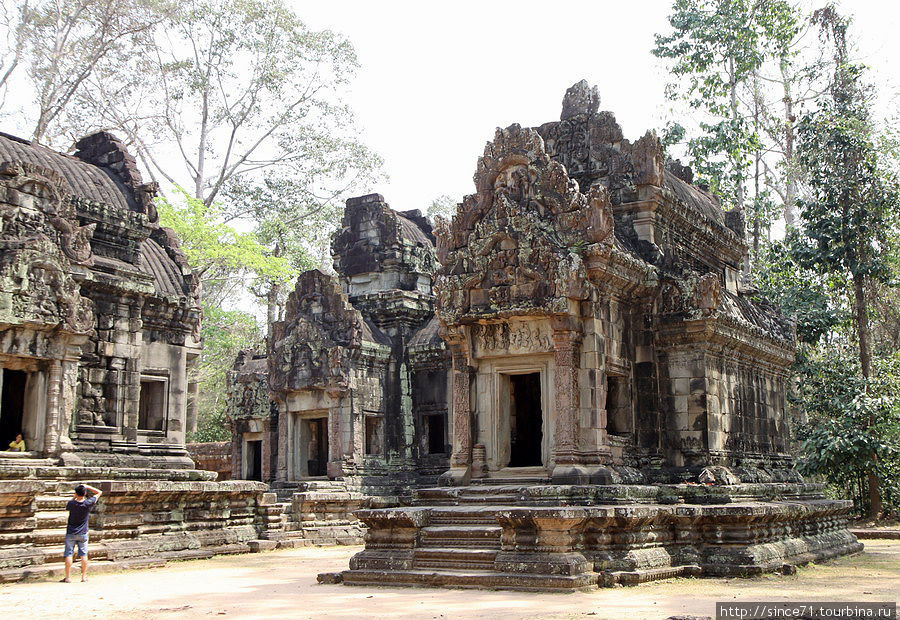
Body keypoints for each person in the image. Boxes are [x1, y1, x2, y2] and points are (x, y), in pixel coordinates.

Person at [62, 483, 103, 583]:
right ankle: (84, 577)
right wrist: (87, 486)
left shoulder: (71, 504)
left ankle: (68, 577)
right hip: (83, 532)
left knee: (69, 554)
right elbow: (99, 492)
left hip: (71, 532)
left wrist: (75, 496)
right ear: (84, 494)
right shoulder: (88, 503)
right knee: (84, 554)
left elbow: (70, 503)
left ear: (76, 493)